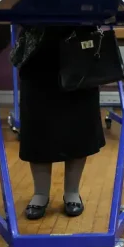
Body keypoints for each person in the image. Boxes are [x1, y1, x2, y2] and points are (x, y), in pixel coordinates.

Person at [11, 26, 105, 220]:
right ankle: (40, 194)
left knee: (79, 125)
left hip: (80, 46)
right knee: (38, 126)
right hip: (38, 51)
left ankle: (72, 192)